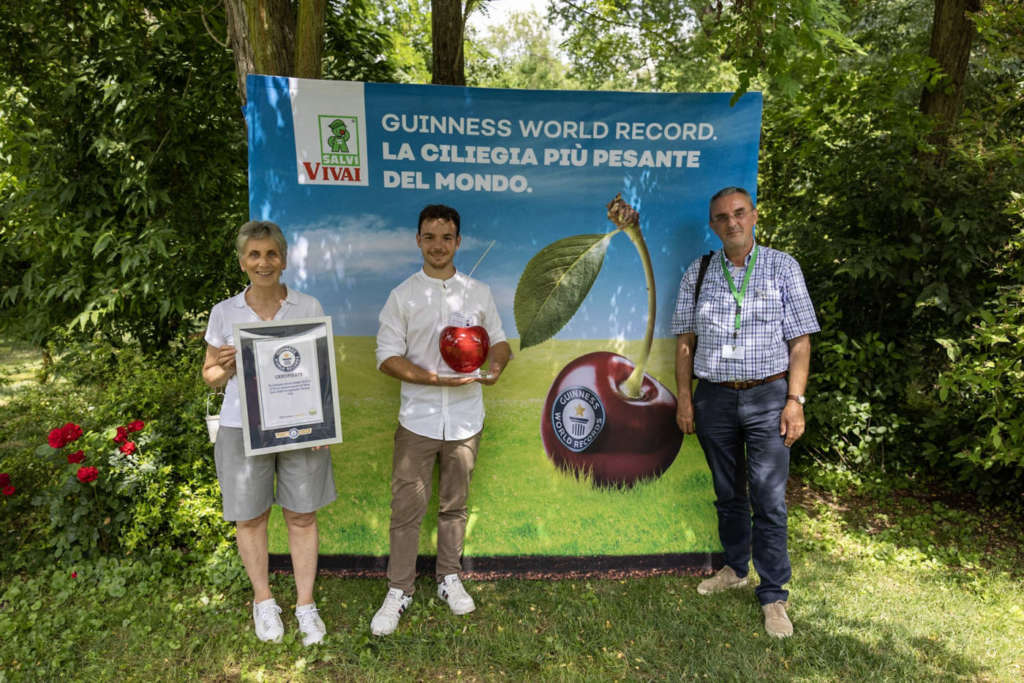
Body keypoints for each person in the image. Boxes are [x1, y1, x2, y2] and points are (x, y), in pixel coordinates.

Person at [671, 187, 819, 638]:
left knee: (769, 497)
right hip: (714, 397)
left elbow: (800, 342)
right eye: (721, 217)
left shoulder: (782, 266)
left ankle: (774, 595)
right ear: (713, 225)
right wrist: (684, 396)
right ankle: (736, 568)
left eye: (739, 213)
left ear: (753, 215)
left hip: (769, 396)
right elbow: (684, 342)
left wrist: (795, 401)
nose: (731, 222)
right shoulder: (697, 272)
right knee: (728, 493)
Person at [370, 204, 511, 637]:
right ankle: (399, 589)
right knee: (406, 509)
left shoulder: (478, 292)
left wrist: (497, 366)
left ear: (458, 242)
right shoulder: (403, 296)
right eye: (429, 237)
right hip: (418, 419)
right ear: (418, 240)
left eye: (446, 237)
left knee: (454, 506)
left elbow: (501, 343)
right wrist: (433, 380)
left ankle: (449, 577)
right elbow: (387, 358)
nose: (437, 246)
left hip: (467, 419)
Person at [202, 220, 336, 646]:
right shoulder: (224, 313)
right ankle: (263, 601)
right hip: (243, 427)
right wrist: (222, 367)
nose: (264, 262)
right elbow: (209, 376)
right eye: (254, 255)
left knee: (301, 514)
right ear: (243, 262)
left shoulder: (307, 305)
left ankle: (305, 605)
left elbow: (320, 372)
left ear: (283, 258)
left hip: (299, 429)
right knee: (251, 517)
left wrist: (321, 422)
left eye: (271, 254)